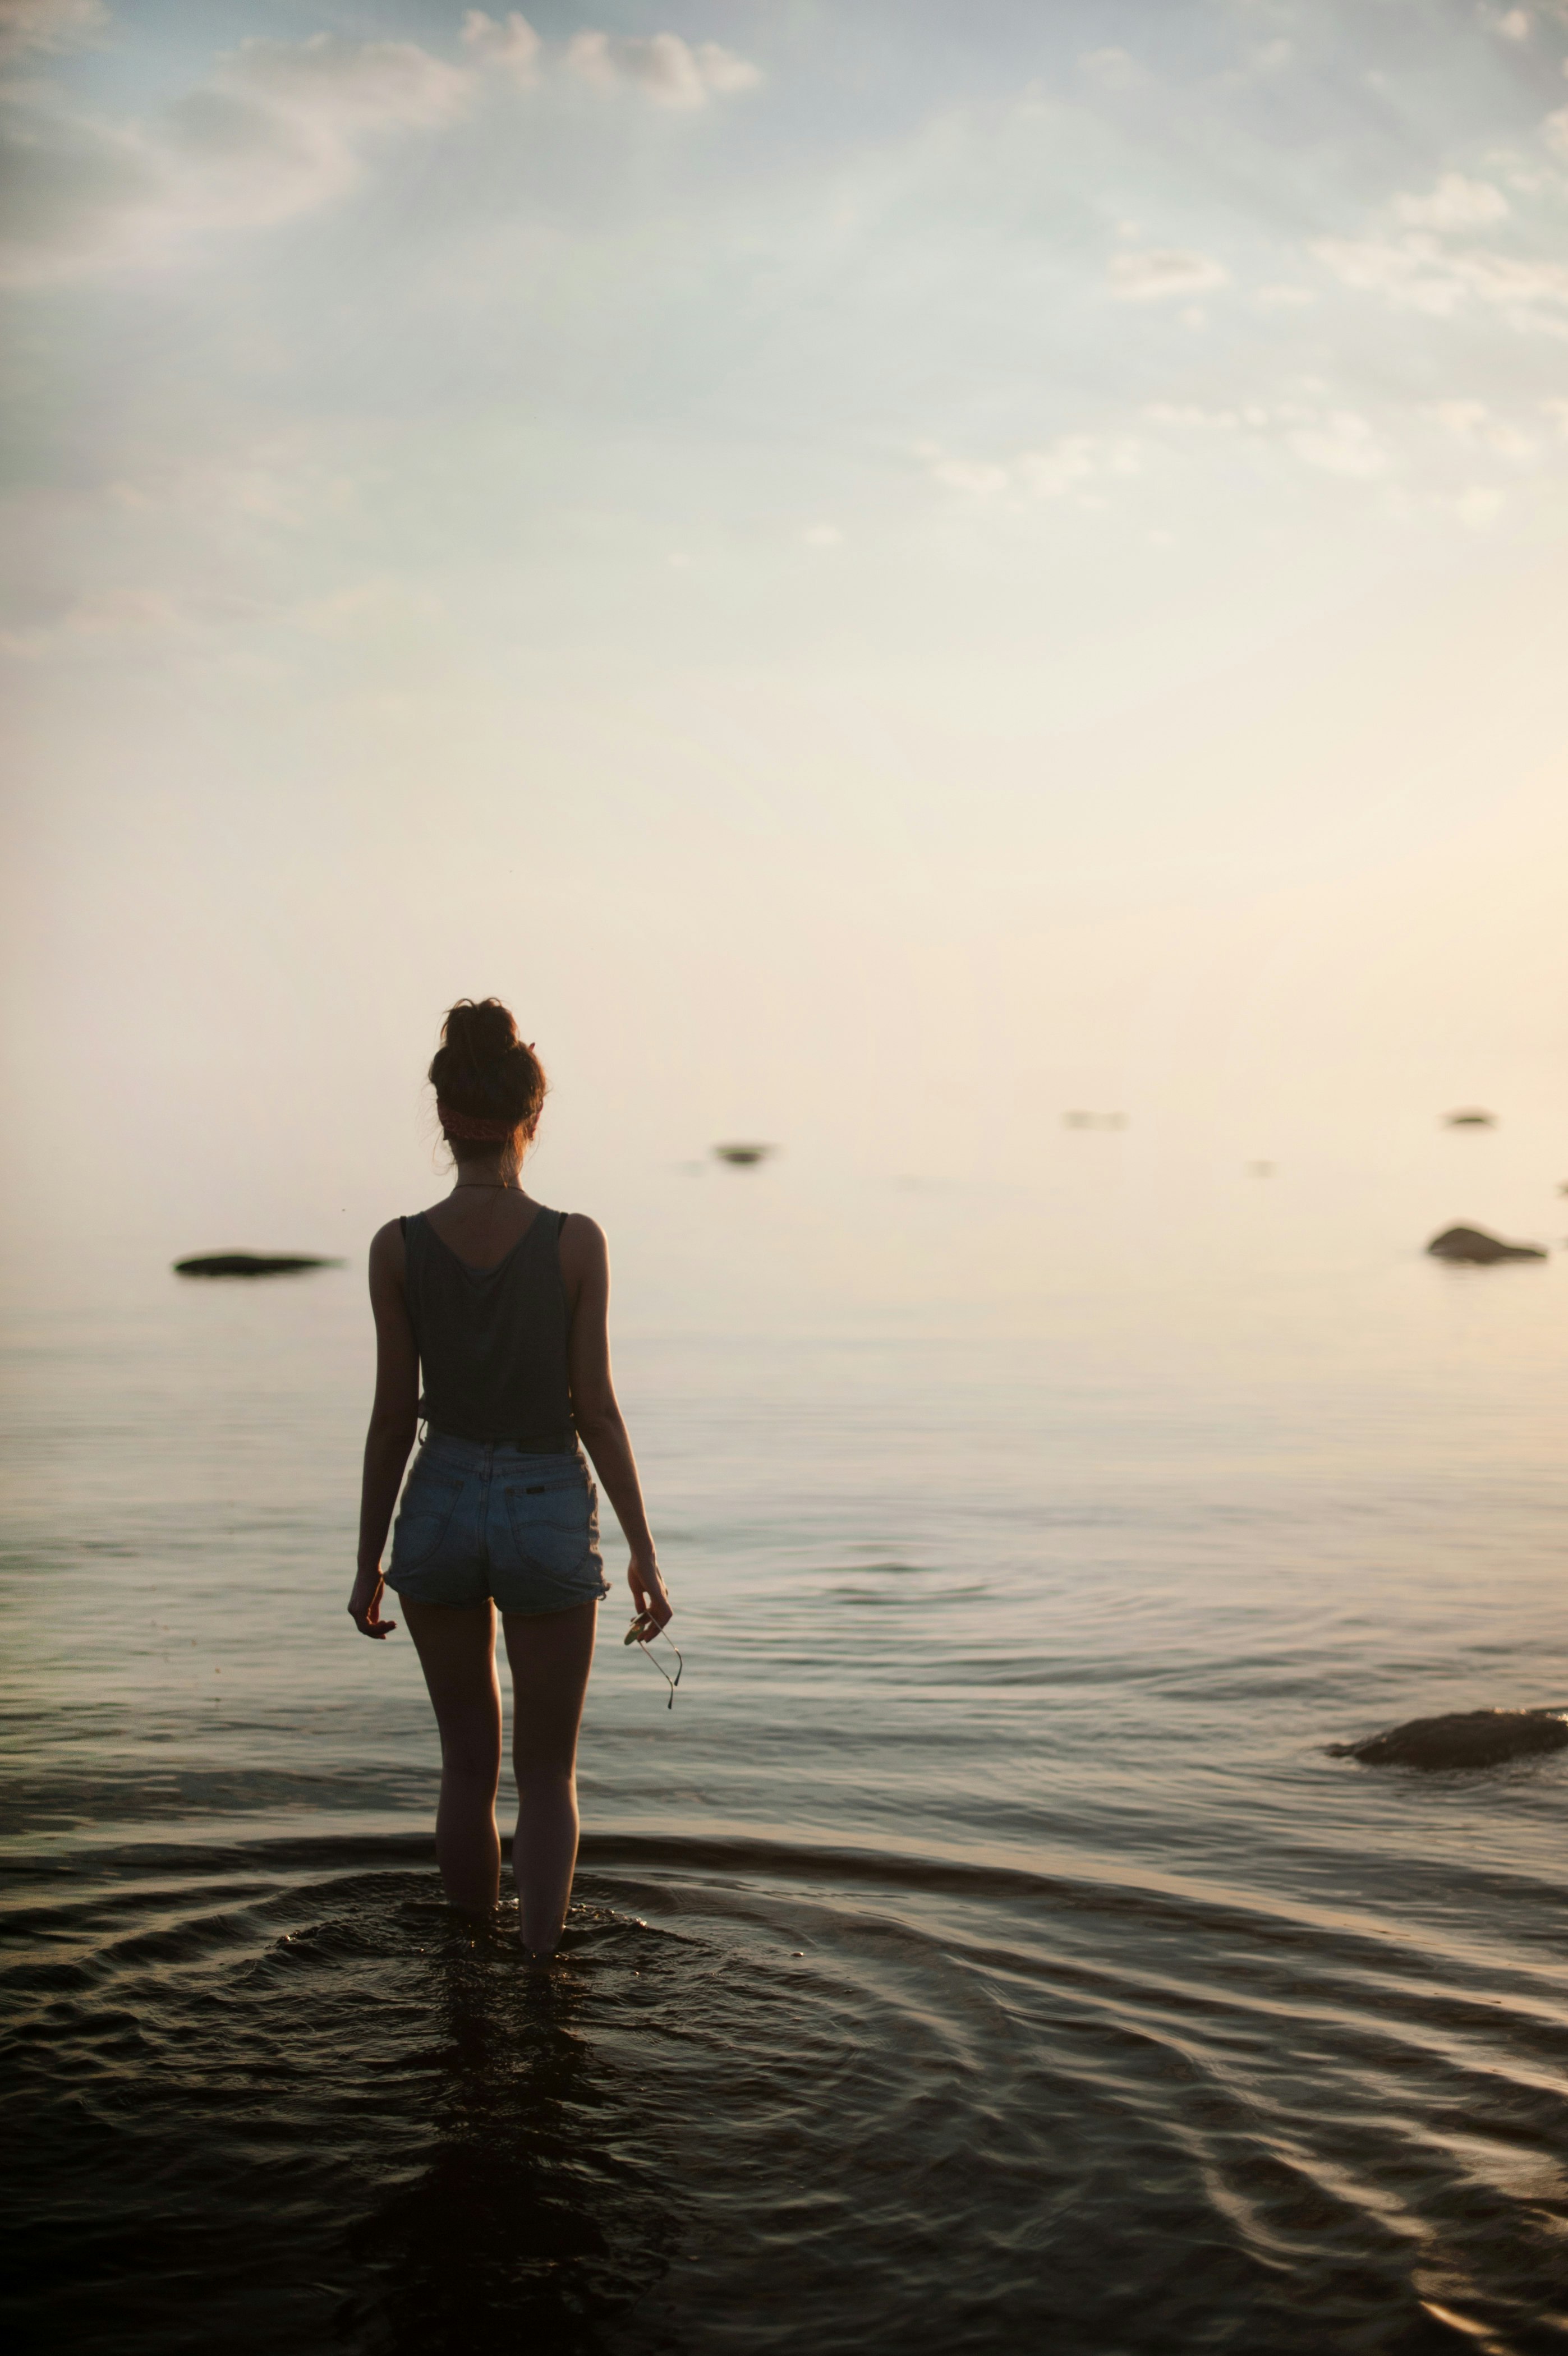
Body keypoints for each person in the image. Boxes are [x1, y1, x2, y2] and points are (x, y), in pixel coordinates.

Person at [347, 997, 673, 1956]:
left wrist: (368, 1562)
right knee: (547, 1778)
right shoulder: (575, 1243)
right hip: (542, 1506)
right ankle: (539, 1981)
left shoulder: (396, 1247)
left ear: (445, 1119)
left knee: (464, 1771)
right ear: (532, 1120)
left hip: (439, 1504)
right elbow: (597, 1409)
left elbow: (390, 1416)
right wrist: (645, 1551)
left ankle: (464, 1979)